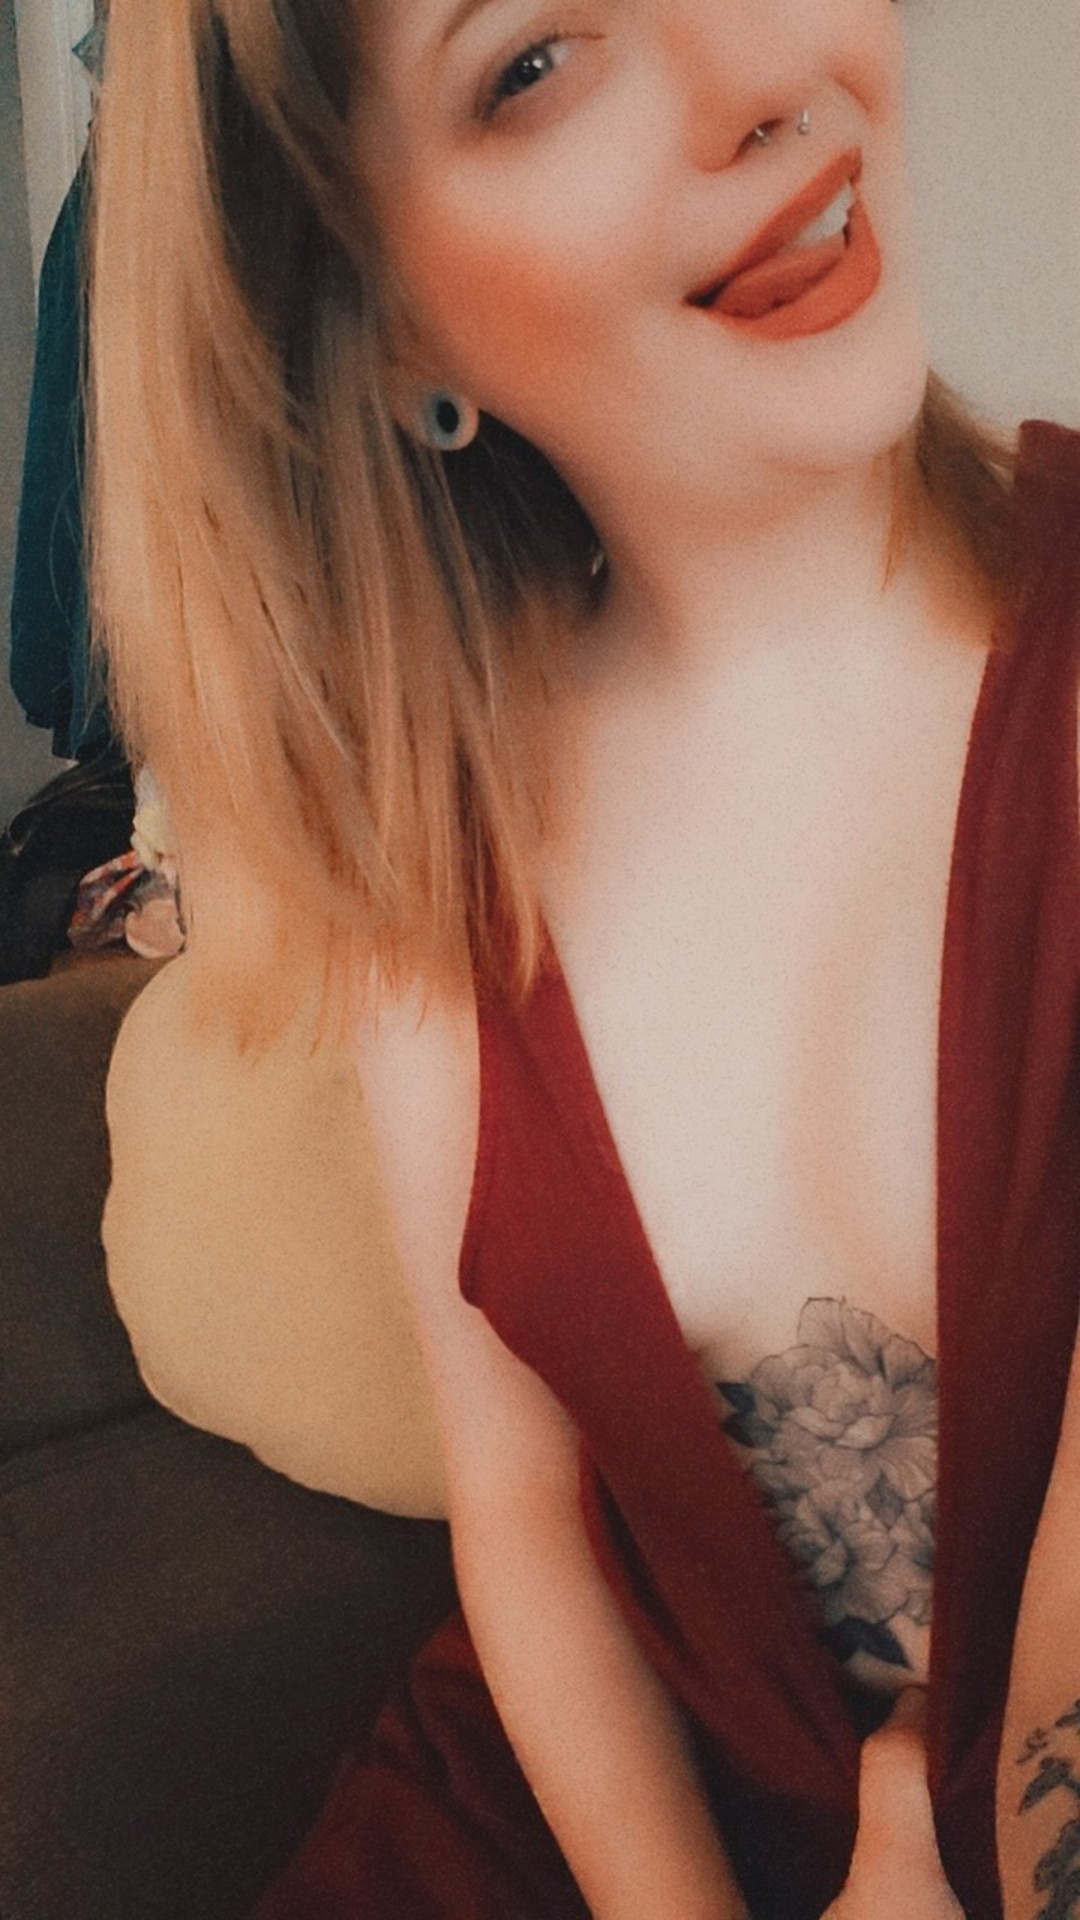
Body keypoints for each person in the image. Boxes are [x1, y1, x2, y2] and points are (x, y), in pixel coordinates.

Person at [88, 2, 1079, 1916]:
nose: (763, 76)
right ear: (375, 314)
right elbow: (526, 1522)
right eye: (536, 62)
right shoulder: (437, 847)